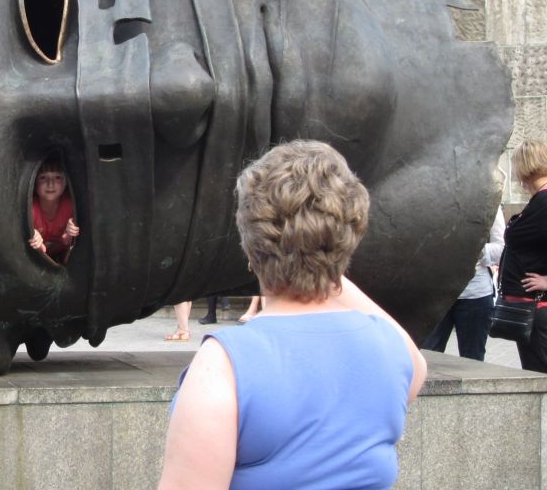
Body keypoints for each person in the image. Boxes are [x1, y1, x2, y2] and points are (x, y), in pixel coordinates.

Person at [158, 140, 427, 490]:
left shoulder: (223, 364)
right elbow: (416, 366)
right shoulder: (390, 349)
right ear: (352, 232)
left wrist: (295, 251)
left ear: (250, 245)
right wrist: (322, 256)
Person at [422, 206, 504, 361]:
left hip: (475, 295)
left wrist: (476, 250)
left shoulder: (490, 204)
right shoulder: (437, 199)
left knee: (473, 360)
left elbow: (501, 248)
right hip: (436, 294)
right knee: (429, 356)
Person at [497, 140, 547, 372]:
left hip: (537, 309)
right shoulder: (539, 200)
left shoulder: (544, 202)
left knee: (539, 376)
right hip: (530, 309)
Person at [27, 157, 80, 264]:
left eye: (57, 177)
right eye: (43, 177)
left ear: (66, 182)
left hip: (64, 257)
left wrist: (70, 234)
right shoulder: (30, 209)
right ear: (34, 182)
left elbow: (68, 242)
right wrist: (34, 240)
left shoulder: (71, 205)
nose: (50, 184)